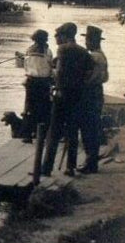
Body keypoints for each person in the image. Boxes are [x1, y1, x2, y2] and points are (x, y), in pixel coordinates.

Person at [40, 23, 95, 177]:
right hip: (77, 95)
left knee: (54, 131)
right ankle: (70, 167)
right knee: (73, 131)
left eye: (59, 35)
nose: (57, 39)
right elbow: (90, 71)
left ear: (65, 35)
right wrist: (80, 83)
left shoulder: (63, 49)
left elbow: (60, 71)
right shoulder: (83, 51)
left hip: (62, 94)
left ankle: (47, 167)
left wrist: (57, 86)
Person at [78, 25, 109, 174]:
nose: (86, 43)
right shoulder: (101, 55)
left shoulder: (93, 57)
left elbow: (86, 77)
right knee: (93, 126)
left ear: (93, 41)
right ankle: (91, 161)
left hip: (90, 92)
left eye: (88, 40)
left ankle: (90, 162)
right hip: (97, 91)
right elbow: (105, 77)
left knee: (88, 127)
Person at [17, 29, 54, 143]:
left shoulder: (29, 50)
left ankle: (27, 135)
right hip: (44, 82)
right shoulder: (47, 51)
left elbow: (25, 66)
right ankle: (42, 135)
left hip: (30, 81)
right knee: (44, 107)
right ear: (44, 40)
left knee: (29, 107)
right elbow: (50, 67)